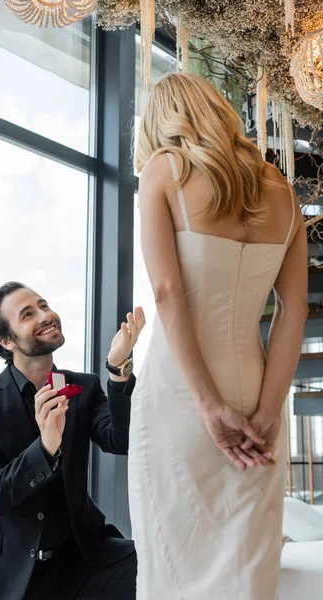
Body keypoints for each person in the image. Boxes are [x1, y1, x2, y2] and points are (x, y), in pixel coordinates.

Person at [128, 73, 308, 600]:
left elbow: (165, 291)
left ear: (163, 121)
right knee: (246, 567)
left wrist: (207, 406)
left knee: (171, 564)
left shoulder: (163, 171)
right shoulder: (283, 190)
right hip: (258, 394)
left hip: (181, 395)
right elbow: (293, 307)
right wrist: (271, 409)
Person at [0, 281, 145, 600]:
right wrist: (46, 448)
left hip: (83, 562)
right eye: (28, 314)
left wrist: (117, 369)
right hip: (8, 577)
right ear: (6, 340)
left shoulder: (84, 386)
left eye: (44, 305)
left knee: (164, 565)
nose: (45, 315)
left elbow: (122, 441)